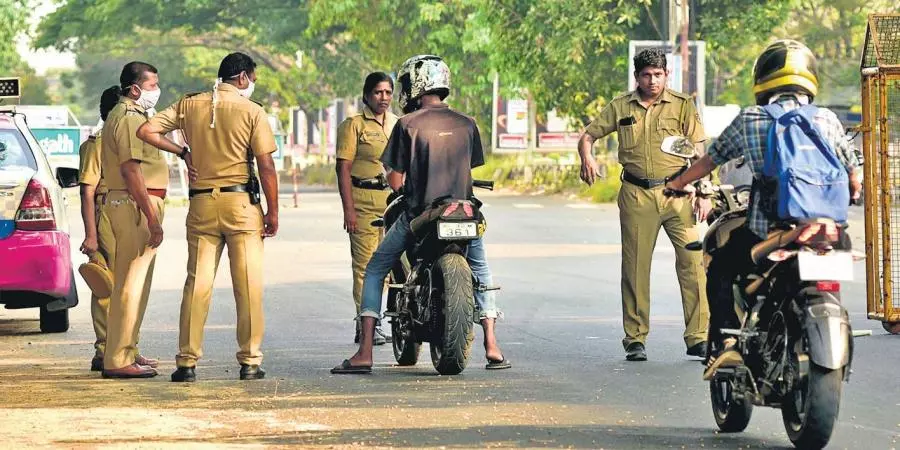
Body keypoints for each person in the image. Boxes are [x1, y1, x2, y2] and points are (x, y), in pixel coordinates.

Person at [662, 39, 862, 378]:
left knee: (721, 266)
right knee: (829, 275)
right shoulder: (827, 119)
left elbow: (711, 160)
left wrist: (677, 183)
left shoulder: (751, 118)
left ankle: (727, 342)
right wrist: (849, 194)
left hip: (769, 232)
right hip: (828, 231)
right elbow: (854, 176)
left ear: (763, 79)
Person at [332, 54, 510, 374]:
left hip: (421, 214)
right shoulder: (467, 123)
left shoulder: (407, 124)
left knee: (376, 269)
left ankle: (365, 352)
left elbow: (395, 181)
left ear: (416, 84)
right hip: (464, 212)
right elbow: (467, 168)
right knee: (482, 271)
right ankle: (492, 344)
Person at [137, 52, 279, 382]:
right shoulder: (252, 111)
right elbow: (266, 166)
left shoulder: (189, 105)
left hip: (202, 205)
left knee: (197, 285)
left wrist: (182, 152)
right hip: (241, 206)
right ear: (242, 78)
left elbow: (146, 130)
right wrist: (272, 211)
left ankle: (186, 362)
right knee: (248, 285)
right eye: (253, 79)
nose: (253, 85)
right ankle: (250, 361)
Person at [577, 48, 710, 362]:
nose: (653, 81)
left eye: (658, 75)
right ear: (637, 76)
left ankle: (698, 336)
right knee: (636, 268)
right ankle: (635, 338)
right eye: (647, 75)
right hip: (637, 194)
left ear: (666, 75)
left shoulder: (682, 105)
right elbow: (588, 135)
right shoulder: (621, 106)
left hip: (679, 193)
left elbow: (700, 151)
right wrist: (587, 157)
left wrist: (703, 190)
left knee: (693, 263)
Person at [99, 61, 174, 378]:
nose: (156, 90)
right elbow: (131, 171)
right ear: (134, 89)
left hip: (133, 202)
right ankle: (118, 358)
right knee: (130, 284)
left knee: (134, 283)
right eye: (152, 85)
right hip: (135, 204)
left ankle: (127, 349)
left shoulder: (129, 115)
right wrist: (151, 218)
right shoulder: (129, 118)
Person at [336, 72, 399, 346]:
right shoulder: (354, 125)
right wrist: (348, 210)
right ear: (366, 95)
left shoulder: (398, 123)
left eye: (388, 92)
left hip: (392, 203)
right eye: (377, 92)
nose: (383, 98)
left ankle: (372, 320)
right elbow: (343, 168)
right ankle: (367, 328)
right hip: (362, 202)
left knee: (389, 268)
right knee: (364, 267)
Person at [77, 116, 115, 372]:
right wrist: (91, 235)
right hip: (106, 215)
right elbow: (87, 191)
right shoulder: (97, 143)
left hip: (126, 213)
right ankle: (104, 350)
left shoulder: (124, 140)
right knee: (105, 285)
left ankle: (126, 348)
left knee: (126, 287)